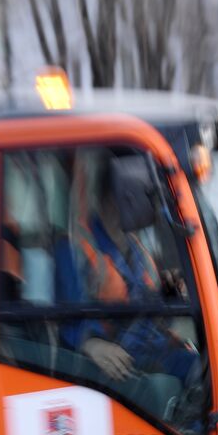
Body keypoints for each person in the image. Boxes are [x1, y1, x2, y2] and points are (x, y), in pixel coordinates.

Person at [54, 153, 198, 387]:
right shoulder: (74, 249)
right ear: (123, 195)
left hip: (156, 352)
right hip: (121, 369)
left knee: (208, 367)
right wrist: (89, 344)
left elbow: (147, 306)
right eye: (145, 194)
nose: (150, 205)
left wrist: (169, 293)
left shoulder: (138, 247)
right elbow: (66, 321)